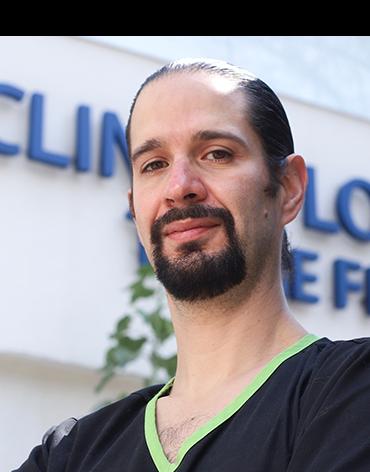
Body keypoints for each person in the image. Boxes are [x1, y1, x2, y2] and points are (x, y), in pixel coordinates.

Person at [14, 58, 370, 472]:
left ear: (288, 188)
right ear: (135, 208)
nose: (180, 186)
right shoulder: (70, 454)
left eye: (217, 154)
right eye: (154, 164)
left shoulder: (350, 391)